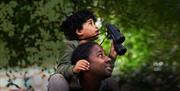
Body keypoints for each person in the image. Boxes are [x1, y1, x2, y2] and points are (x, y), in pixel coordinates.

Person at [48, 9, 119, 91]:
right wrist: (73, 68)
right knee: (56, 78)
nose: (96, 26)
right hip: (74, 86)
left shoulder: (95, 46)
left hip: (92, 85)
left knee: (110, 81)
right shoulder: (70, 45)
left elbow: (103, 71)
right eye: (91, 23)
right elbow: (61, 68)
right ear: (79, 31)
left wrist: (112, 57)